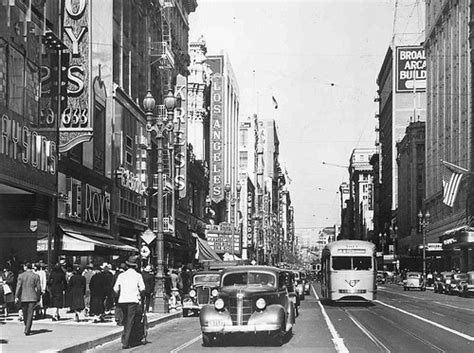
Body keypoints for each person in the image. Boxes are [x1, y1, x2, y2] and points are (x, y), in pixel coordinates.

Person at [113, 255, 145, 349]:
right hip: (133, 300)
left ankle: (126, 338)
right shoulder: (138, 276)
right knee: (130, 320)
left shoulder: (121, 276)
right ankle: (127, 341)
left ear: (127, 266)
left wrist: (120, 294)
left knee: (125, 319)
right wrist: (140, 294)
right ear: (135, 266)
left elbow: (115, 289)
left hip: (122, 300)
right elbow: (143, 288)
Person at [14, 263, 41, 335]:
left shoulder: (21, 276)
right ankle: (27, 328)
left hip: (23, 297)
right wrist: (38, 297)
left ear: (25, 267)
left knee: (25, 313)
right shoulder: (36, 276)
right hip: (32, 296)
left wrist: (16, 296)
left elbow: (18, 287)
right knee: (30, 313)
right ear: (31, 267)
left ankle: (27, 326)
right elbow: (38, 288)